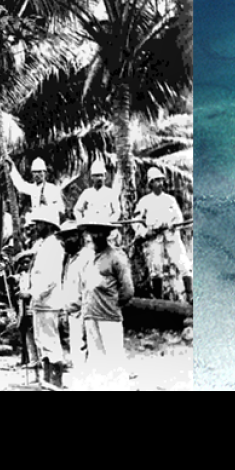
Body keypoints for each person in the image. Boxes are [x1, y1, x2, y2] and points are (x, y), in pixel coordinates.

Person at [66, 207, 135, 389]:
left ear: (106, 233)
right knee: (96, 360)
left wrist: (112, 305)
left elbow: (127, 290)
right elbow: (84, 287)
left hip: (109, 317)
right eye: (92, 231)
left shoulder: (116, 257)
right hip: (90, 316)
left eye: (100, 231)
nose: (96, 235)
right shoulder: (89, 258)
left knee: (114, 359)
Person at [21, 206, 69, 388]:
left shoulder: (54, 247)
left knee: (50, 342)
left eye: (39, 224)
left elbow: (50, 278)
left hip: (48, 302)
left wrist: (32, 293)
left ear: (48, 225)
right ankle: (47, 380)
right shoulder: (45, 245)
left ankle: (56, 381)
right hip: (41, 303)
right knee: (42, 341)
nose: (36, 227)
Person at [133, 167, 191, 302]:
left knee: (182, 263)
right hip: (154, 238)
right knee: (156, 267)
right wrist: (145, 232)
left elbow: (179, 219)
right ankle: (158, 300)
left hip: (171, 236)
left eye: (160, 180)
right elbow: (135, 221)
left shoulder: (170, 200)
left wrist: (173, 225)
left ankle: (190, 294)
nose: (159, 183)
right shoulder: (145, 201)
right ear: (151, 184)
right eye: (156, 181)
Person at [11, 157, 75, 219]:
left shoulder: (53, 189)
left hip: (50, 222)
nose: (36, 175)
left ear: (44, 173)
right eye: (34, 172)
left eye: (39, 172)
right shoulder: (33, 189)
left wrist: (47, 204)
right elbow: (20, 185)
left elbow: (61, 210)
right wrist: (11, 168)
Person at [70, 158, 121, 224]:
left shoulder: (111, 193)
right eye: (96, 175)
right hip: (89, 227)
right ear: (92, 177)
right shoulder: (87, 193)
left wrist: (110, 221)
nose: (99, 178)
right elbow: (77, 210)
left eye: (101, 175)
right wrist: (81, 221)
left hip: (106, 227)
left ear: (105, 176)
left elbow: (117, 212)